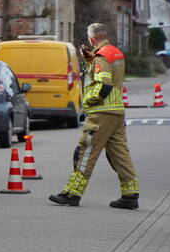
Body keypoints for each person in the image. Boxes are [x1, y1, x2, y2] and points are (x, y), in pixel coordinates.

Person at [50, 23, 139, 209]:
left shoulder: (101, 57)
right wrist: (91, 61)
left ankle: (72, 193)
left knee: (85, 152)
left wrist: (89, 101)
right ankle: (130, 195)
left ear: (92, 39)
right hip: (116, 112)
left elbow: (104, 84)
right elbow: (112, 77)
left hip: (101, 113)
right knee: (120, 154)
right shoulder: (114, 52)